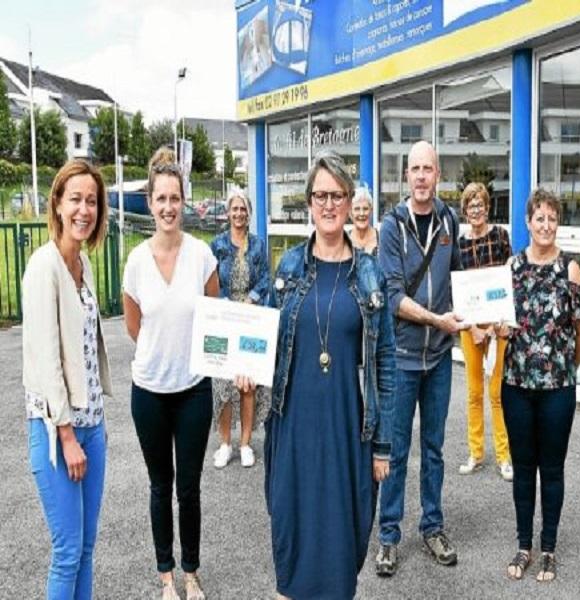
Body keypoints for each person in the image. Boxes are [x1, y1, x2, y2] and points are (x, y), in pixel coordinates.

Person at [264, 151, 395, 599]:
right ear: (308, 202)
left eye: (337, 195)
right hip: (294, 423)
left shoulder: (371, 274)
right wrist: (244, 368)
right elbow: (264, 342)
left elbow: (385, 362)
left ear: (349, 200)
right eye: (320, 195)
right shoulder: (288, 268)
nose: (329, 204)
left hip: (346, 428)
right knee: (292, 525)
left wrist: (383, 446)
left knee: (343, 535)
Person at [123, 148, 219, 600]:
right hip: (150, 394)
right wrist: (161, 353)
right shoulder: (136, 261)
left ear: (185, 201)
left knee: (190, 488)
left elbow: (217, 320)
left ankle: (192, 572)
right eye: (160, 198)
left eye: (175, 198)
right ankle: (166, 576)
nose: (167, 207)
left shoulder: (202, 256)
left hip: (194, 391)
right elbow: (134, 326)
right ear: (150, 199)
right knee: (160, 486)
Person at [22, 159, 112, 600]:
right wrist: (67, 434)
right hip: (61, 433)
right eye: (75, 199)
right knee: (67, 551)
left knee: (86, 549)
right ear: (57, 204)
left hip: (92, 426)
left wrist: (88, 430)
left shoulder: (84, 265)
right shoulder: (45, 267)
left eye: (91, 201)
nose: (84, 210)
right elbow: (45, 359)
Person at [375, 140, 465, 576]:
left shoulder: (450, 220)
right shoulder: (391, 226)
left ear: (438, 174)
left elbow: (462, 281)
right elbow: (393, 297)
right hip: (403, 358)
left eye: (429, 168)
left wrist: (480, 318)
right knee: (394, 450)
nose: (422, 177)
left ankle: (432, 526)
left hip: (440, 360)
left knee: (433, 448)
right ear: (406, 176)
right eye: (415, 169)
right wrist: (438, 321)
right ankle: (388, 536)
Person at [497, 188, 580, 583]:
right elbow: (497, 317)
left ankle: (548, 547)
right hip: (516, 383)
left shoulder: (569, 269)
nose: (546, 225)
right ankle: (524, 544)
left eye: (553, 218)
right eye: (540, 218)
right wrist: (497, 328)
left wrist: (574, 358)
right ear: (528, 222)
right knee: (523, 469)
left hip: (557, 388)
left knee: (551, 469)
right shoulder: (511, 267)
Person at [209, 191, 271, 469]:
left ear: (248, 213)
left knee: (248, 383)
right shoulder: (217, 245)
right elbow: (210, 281)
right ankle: (225, 443)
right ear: (228, 212)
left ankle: (245, 443)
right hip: (224, 319)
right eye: (234, 209)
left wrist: (253, 298)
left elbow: (266, 280)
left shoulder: (258, 246)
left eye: (242, 208)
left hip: (251, 319)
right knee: (223, 383)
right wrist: (225, 305)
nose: (238, 214)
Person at [456, 182, 514, 481]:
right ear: (465, 211)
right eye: (470, 206)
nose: (475, 210)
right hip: (471, 329)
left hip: (499, 326)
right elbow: (459, 291)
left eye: (479, 205)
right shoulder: (460, 244)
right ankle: (476, 452)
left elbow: (509, 281)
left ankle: (505, 455)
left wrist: (493, 327)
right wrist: (474, 328)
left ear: (486, 207)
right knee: (474, 392)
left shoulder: (501, 237)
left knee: (498, 394)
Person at [349, 186, 379, 254]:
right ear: (350, 213)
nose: (361, 213)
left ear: (371, 211)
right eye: (357, 209)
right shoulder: (342, 241)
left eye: (365, 209)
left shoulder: (382, 240)